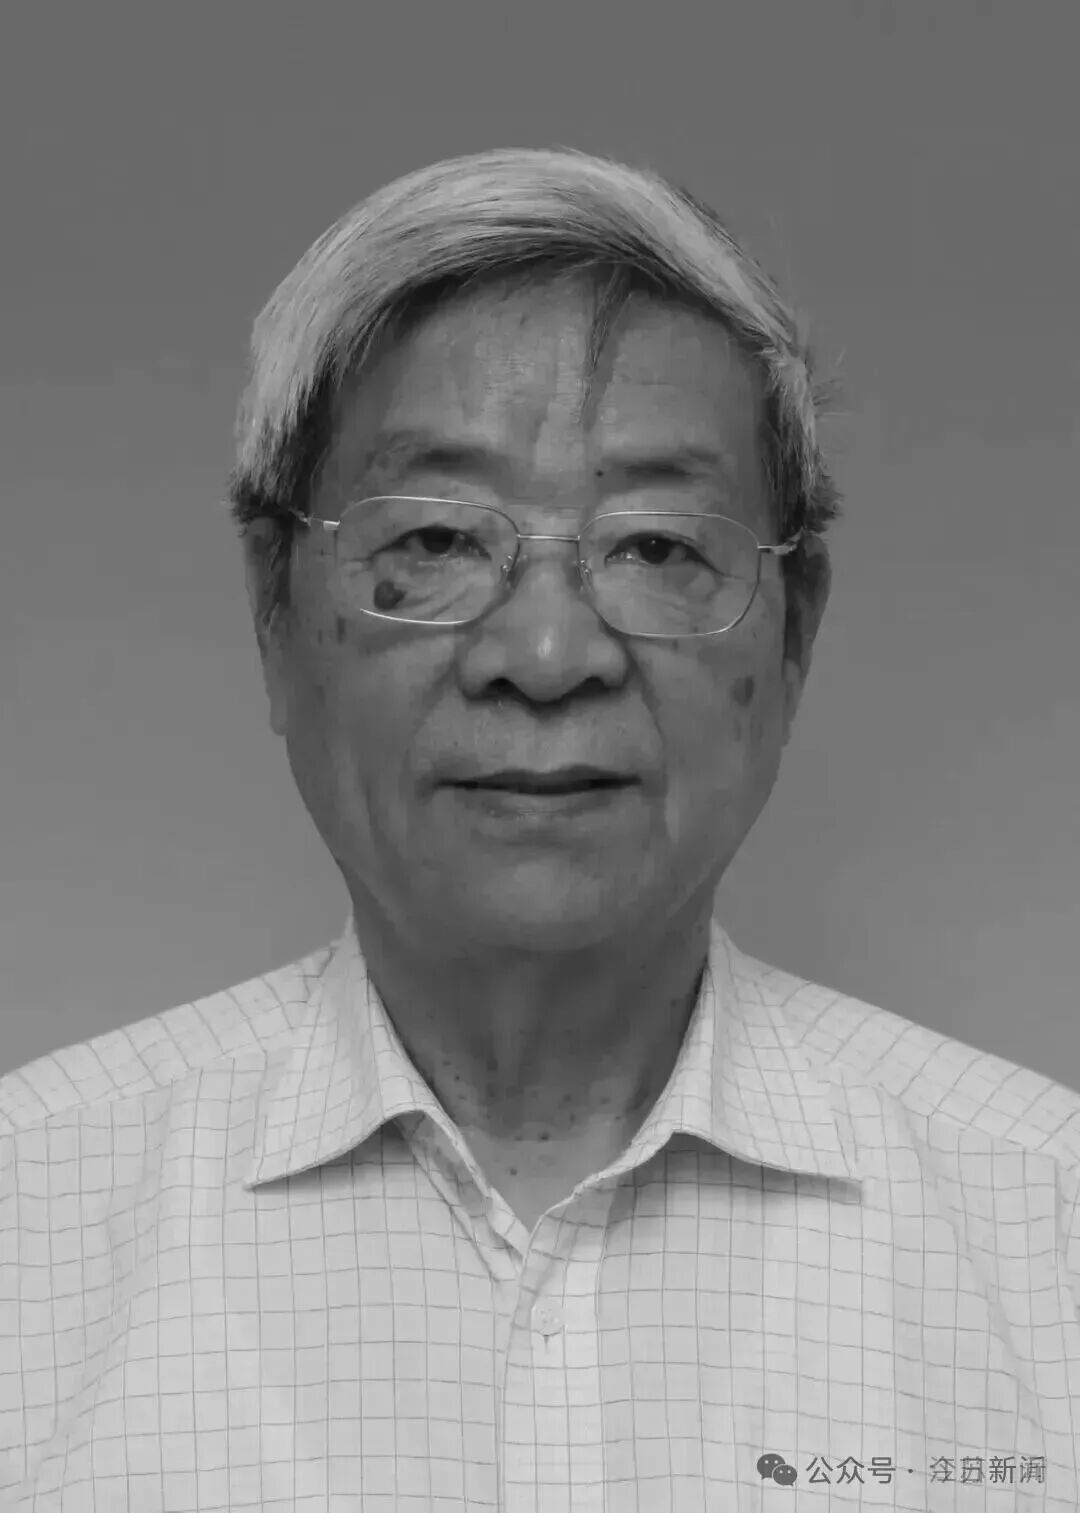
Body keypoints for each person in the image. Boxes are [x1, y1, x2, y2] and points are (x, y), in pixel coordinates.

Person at [2, 146, 1078, 1513]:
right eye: (436, 541)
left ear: (795, 631)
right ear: (274, 618)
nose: (550, 652)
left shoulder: (1046, 1231)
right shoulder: (29, 1224)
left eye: (658, 545)